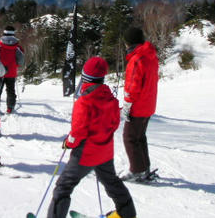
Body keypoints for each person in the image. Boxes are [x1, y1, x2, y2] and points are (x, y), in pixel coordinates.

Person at [47, 57, 136, 218]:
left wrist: (69, 142)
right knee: (111, 182)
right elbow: (114, 124)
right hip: (105, 151)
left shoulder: (84, 101)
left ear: (85, 77)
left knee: (63, 187)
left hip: (85, 154)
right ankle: (127, 213)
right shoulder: (112, 100)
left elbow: (78, 131)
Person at [120, 27, 159, 182]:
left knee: (129, 137)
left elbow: (132, 87)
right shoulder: (150, 56)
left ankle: (137, 170)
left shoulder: (136, 60)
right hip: (148, 104)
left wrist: (127, 105)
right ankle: (143, 167)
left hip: (138, 106)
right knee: (139, 137)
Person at [0, 25, 24, 114]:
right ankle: (10, 108)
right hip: (12, 72)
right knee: (10, 90)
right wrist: (15, 66)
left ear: (4, 33)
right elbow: (21, 60)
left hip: (0, 71)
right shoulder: (17, 47)